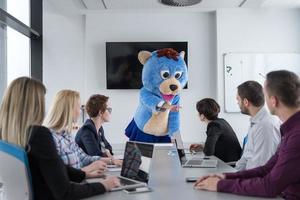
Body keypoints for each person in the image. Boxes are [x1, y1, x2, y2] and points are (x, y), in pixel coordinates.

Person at [0, 77, 120, 199]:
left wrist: (84, 175)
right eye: (42, 101)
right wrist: (104, 185)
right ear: (35, 105)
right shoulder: (39, 135)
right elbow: (65, 192)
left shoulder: (13, 136)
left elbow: (54, 168)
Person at [194, 70, 300, 199]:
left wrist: (220, 185)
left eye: (265, 95)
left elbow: (270, 185)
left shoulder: (292, 134)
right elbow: (266, 169)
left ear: (273, 101)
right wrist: (224, 177)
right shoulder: (289, 130)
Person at [44, 90, 121, 172]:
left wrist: (110, 161)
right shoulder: (51, 138)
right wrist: (91, 169)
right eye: (78, 107)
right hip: (76, 182)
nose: (80, 111)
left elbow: (83, 158)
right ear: (69, 109)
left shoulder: (67, 134)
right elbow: (62, 174)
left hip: (81, 179)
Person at [234, 81, 281, 170]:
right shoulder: (255, 122)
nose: (237, 103)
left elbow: (261, 169)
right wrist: (230, 176)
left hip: (255, 180)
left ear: (246, 102)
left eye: (238, 100)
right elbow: (245, 158)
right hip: (247, 177)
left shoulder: (265, 127)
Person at [189, 98, 241, 162]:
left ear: (202, 116)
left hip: (227, 165)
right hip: (231, 160)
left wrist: (205, 148)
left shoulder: (214, 126)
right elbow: (217, 144)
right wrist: (203, 146)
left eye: (198, 112)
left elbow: (208, 152)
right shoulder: (221, 121)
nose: (197, 114)